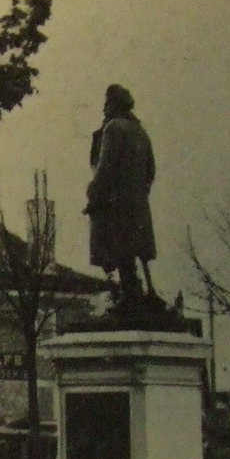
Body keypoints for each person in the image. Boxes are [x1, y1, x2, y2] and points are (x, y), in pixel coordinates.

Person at [86, 84, 158, 302]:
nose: (103, 109)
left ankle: (127, 293)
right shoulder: (141, 132)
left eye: (106, 104)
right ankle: (134, 291)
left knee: (114, 247)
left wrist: (94, 192)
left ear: (114, 104)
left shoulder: (113, 129)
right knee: (131, 250)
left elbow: (105, 166)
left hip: (115, 203)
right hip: (137, 204)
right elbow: (150, 170)